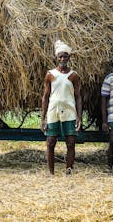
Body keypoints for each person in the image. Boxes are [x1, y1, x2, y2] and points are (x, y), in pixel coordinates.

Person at [41, 39, 83, 175]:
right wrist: (43, 117)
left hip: (69, 112)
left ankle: (69, 171)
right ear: (56, 58)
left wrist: (79, 116)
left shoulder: (74, 76)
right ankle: (51, 173)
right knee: (51, 142)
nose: (63, 59)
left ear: (69, 57)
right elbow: (46, 97)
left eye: (65, 56)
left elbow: (77, 97)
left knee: (70, 142)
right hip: (53, 112)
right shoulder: (50, 75)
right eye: (60, 56)